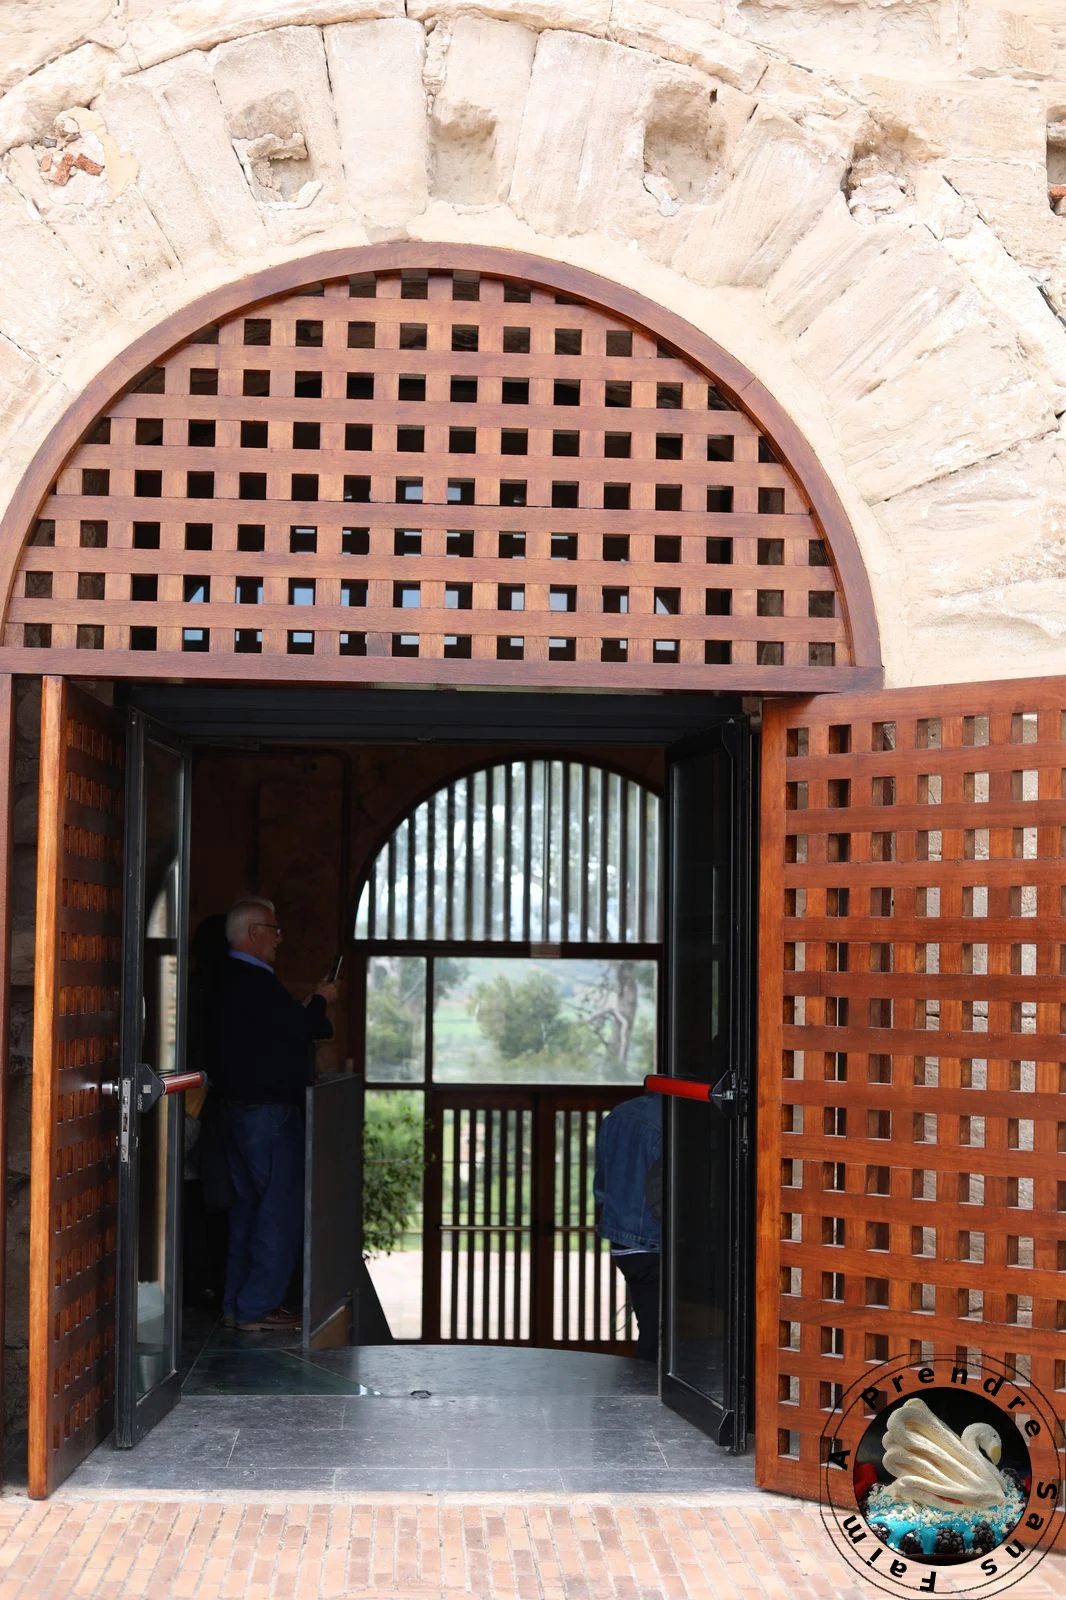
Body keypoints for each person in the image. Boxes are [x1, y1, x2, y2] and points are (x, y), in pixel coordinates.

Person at [210, 896, 337, 1332]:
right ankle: (256, 1307)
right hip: (267, 1113)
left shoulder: (226, 978)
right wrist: (321, 999)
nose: (280, 939)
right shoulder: (253, 979)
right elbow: (303, 1028)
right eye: (274, 930)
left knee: (248, 1209)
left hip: (238, 1111)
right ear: (251, 933)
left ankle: (235, 1304)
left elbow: (277, 1030)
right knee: (277, 1212)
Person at [594, 1092, 663, 1361]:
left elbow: (602, 1181)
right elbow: (661, 1197)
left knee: (650, 1327)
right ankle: (657, 1397)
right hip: (656, 1242)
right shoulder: (677, 1120)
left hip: (625, 1243)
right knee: (672, 1339)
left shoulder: (619, 1115)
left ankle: (645, 1396)